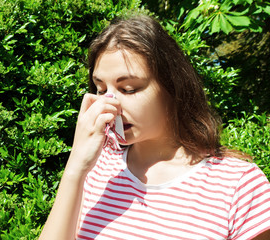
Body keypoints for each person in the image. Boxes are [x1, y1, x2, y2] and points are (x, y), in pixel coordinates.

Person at [39, 14, 270, 240]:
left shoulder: (237, 184)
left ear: (173, 86)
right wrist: (75, 168)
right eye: (101, 90)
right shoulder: (96, 168)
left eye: (129, 89)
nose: (111, 105)